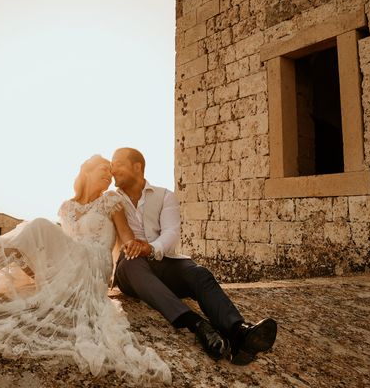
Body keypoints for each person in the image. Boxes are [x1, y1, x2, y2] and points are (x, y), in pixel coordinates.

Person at [0, 155, 172, 384]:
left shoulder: (110, 201)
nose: (109, 176)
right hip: (67, 269)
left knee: (36, 227)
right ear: (87, 171)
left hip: (92, 268)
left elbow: (127, 239)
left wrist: (149, 249)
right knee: (29, 237)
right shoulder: (67, 207)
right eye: (104, 170)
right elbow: (57, 248)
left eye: (111, 173)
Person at [111, 147, 277, 365]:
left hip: (164, 262)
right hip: (132, 272)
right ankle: (198, 325)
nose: (113, 170)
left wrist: (150, 248)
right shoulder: (112, 200)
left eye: (118, 164)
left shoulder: (165, 196)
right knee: (132, 264)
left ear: (137, 166)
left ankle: (239, 333)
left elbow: (171, 232)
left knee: (199, 273)